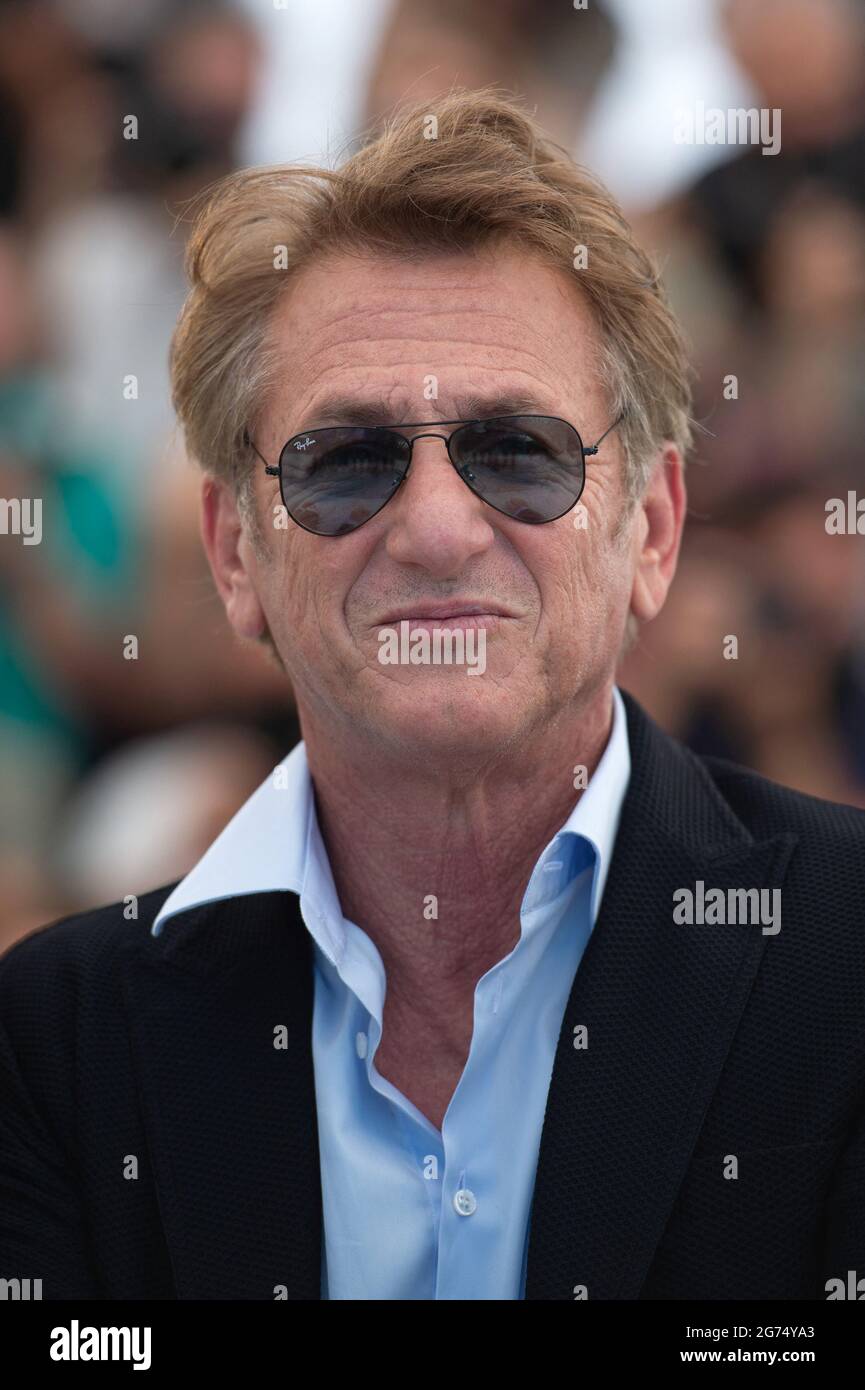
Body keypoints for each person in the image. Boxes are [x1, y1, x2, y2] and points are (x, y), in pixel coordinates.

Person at [1, 89, 863, 1302]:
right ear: (235, 552)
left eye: (518, 450)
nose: (437, 526)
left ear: (653, 529)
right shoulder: (51, 1039)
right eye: (345, 462)